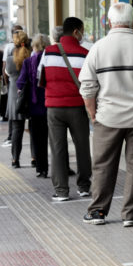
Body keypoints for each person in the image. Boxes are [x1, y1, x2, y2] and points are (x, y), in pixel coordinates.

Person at [79, 2, 133, 226]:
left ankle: (98, 211)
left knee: (103, 165)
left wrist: (93, 113)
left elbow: (87, 86)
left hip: (107, 117)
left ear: (109, 22)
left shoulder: (98, 48)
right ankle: (130, 214)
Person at [38, 17, 91, 201]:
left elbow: (40, 78)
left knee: (58, 148)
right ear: (76, 32)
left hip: (54, 108)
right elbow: (90, 83)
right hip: (77, 107)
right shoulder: (85, 54)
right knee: (82, 146)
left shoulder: (49, 52)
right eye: (82, 30)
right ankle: (84, 187)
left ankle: (61, 191)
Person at [17, 33, 50, 177]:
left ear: (34, 46)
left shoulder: (28, 62)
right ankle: (64, 167)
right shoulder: (51, 60)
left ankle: (41, 169)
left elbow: (20, 83)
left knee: (38, 139)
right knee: (56, 140)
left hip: (34, 106)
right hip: (51, 104)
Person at [7, 31, 31, 167]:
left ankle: (15, 159)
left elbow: (7, 74)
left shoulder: (10, 59)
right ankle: (34, 158)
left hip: (14, 95)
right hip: (30, 95)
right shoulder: (30, 57)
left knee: (17, 129)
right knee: (34, 129)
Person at [2, 25, 24, 144]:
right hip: (27, 86)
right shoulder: (29, 50)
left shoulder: (9, 48)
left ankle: (11, 136)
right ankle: (34, 157)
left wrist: (7, 84)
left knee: (14, 116)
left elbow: (5, 67)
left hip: (14, 85)